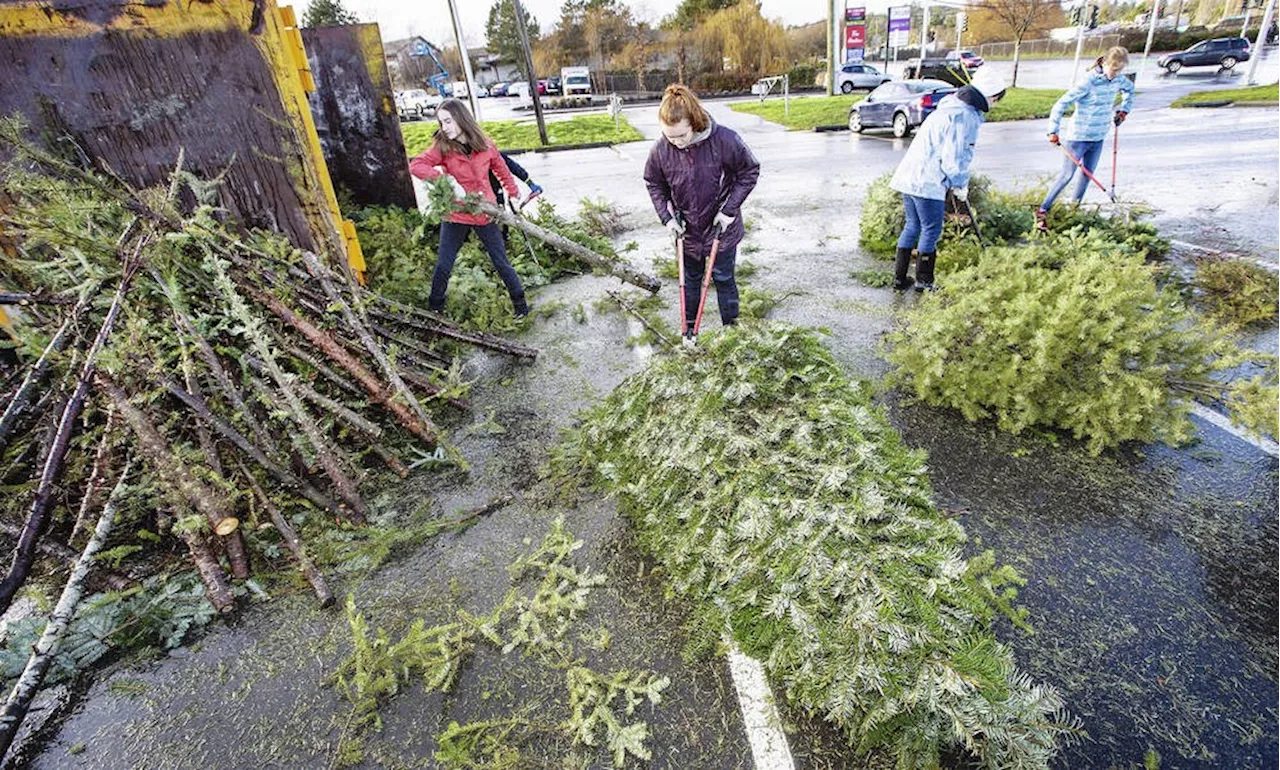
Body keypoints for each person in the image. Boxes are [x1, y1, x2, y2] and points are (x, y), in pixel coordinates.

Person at [643, 84, 760, 341]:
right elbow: (654, 183)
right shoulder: (661, 149)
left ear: (694, 123)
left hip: (721, 227)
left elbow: (749, 171)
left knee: (723, 278)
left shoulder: (725, 140)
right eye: (669, 137)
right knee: (690, 281)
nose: (675, 143)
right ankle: (689, 333)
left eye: (681, 136)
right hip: (687, 232)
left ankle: (733, 334)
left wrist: (728, 211)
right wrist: (667, 218)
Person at [888, 67, 1008, 291]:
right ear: (990, 97)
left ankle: (899, 279)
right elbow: (955, 158)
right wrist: (960, 183)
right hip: (928, 181)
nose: (995, 105)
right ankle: (924, 283)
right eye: (996, 100)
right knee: (931, 229)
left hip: (909, 176)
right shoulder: (965, 117)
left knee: (912, 225)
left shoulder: (947, 108)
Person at [408, 99, 529, 317]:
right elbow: (416, 165)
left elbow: (501, 168)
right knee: (444, 264)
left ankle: (521, 308)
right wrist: (448, 182)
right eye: (441, 123)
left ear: (461, 118)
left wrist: (513, 192)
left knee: (501, 262)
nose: (444, 127)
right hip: (456, 213)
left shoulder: (484, 143)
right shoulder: (443, 145)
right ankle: (434, 311)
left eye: (448, 121)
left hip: (485, 212)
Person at [1036, 47, 1134, 231]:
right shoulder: (1089, 81)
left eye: (1119, 70)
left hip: (1099, 137)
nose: (1115, 74)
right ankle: (1042, 211)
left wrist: (1124, 111)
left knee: (1086, 176)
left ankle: (1073, 212)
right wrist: (1052, 130)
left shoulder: (1119, 80)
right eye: (1113, 69)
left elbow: (1130, 90)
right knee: (1067, 175)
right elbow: (1061, 104)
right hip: (1078, 137)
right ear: (1105, 64)